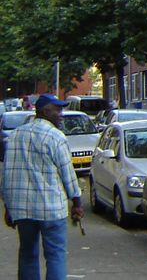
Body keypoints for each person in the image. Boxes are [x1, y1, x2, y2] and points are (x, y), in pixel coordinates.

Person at [1, 93, 85, 280]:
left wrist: (8, 206)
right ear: (45, 111)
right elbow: (68, 174)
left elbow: (7, 173)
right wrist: (77, 202)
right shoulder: (56, 137)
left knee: (27, 254)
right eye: (57, 110)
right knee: (55, 255)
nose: (61, 114)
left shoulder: (15, 136)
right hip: (51, 208)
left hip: (22, 209)